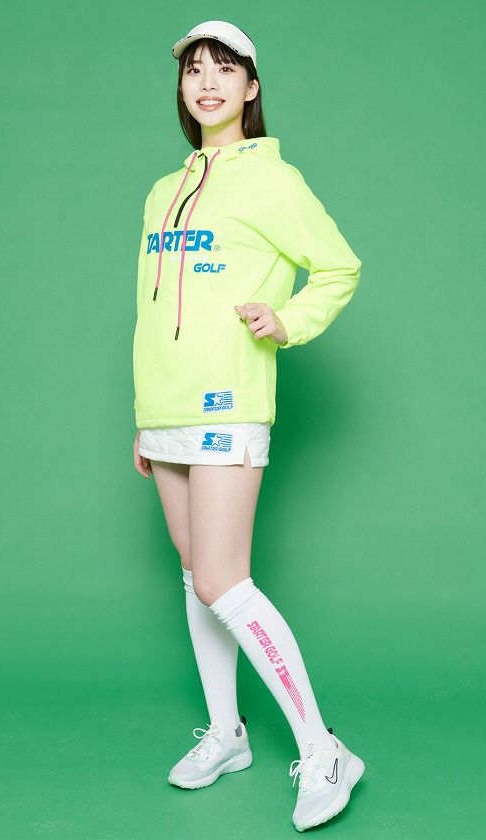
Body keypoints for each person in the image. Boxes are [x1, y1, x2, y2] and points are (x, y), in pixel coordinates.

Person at [131, 20, 365, 832]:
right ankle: (228, 733)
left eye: (225, 69)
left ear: (251, 87)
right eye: (194, 69)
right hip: (165, 411)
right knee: (196, 571)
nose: (207, 82)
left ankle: (324, 748)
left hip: (227, 403)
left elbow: (337, 267)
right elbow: (154, 311)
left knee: (223, 582)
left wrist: (287, 320)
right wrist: (144, 415)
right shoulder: (163, 190)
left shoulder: (273, 180)